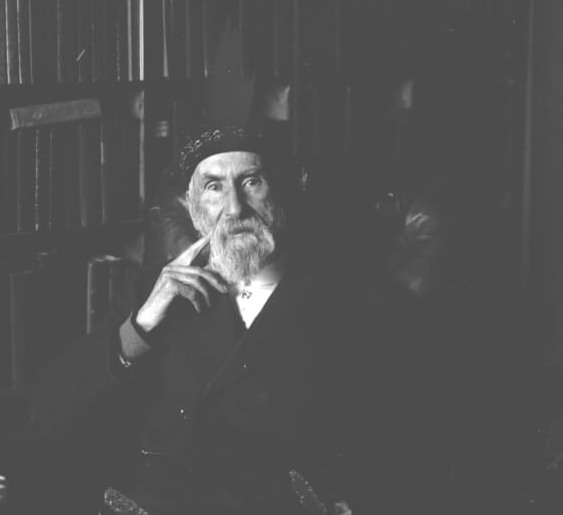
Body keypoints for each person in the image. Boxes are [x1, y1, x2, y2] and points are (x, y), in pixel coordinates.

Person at [30, 126, 369, 515]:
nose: (235, 208)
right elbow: (50, 410)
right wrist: (140, 326)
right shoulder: (152, 291)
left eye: (251, 182)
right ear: (192, 209)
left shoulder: (348, 299)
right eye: (213, 187)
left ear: (282, 193)